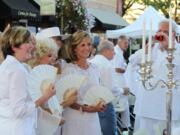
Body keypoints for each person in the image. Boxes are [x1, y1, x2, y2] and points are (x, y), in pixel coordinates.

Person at [126, 19, 180, 135]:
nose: (161, 34)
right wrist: (145, 49)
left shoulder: (178, 50)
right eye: (159, 31)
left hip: (168, 106)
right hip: (147, 104)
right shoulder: (152, 48)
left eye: (165, 31)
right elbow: (132, 62)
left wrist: (169, 48)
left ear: (174, 34)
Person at [0, 26, 55, 135]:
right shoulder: (17, 70)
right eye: (27, 42)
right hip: (19, 129)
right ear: (14, 46)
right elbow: (19, 110)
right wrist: (45, 97)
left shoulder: (6, 65)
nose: (32, 46)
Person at [60, 30, 106, 135]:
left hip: (93, 119)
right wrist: (88, 109)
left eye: (89, 44)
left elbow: (98, 91)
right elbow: (67, 101)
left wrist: (101, 103)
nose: (87, 48)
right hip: (74, 119)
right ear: (74, 48)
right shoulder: (68, 70)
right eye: (82, 45)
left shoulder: (95, 68)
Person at [90, 40, 126, 135]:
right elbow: (110, 88)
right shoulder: (107, 65)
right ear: (105, 51)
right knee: (110, 132)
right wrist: (123, 90)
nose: (114, 53)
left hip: (91, 104)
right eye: (112, 50)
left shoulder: (91, 61)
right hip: (104, 104)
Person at [111, 35, 131, 130]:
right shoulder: (116, 52)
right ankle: (119, 129)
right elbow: (115, 68)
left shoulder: (119, 52)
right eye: (125, 43)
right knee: (118, 108)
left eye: (128, 43)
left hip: (121, 83)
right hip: (117, 85)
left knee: (124, 108)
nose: (127, 45)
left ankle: (124, 129)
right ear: (119, 42)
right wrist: (127, 69)